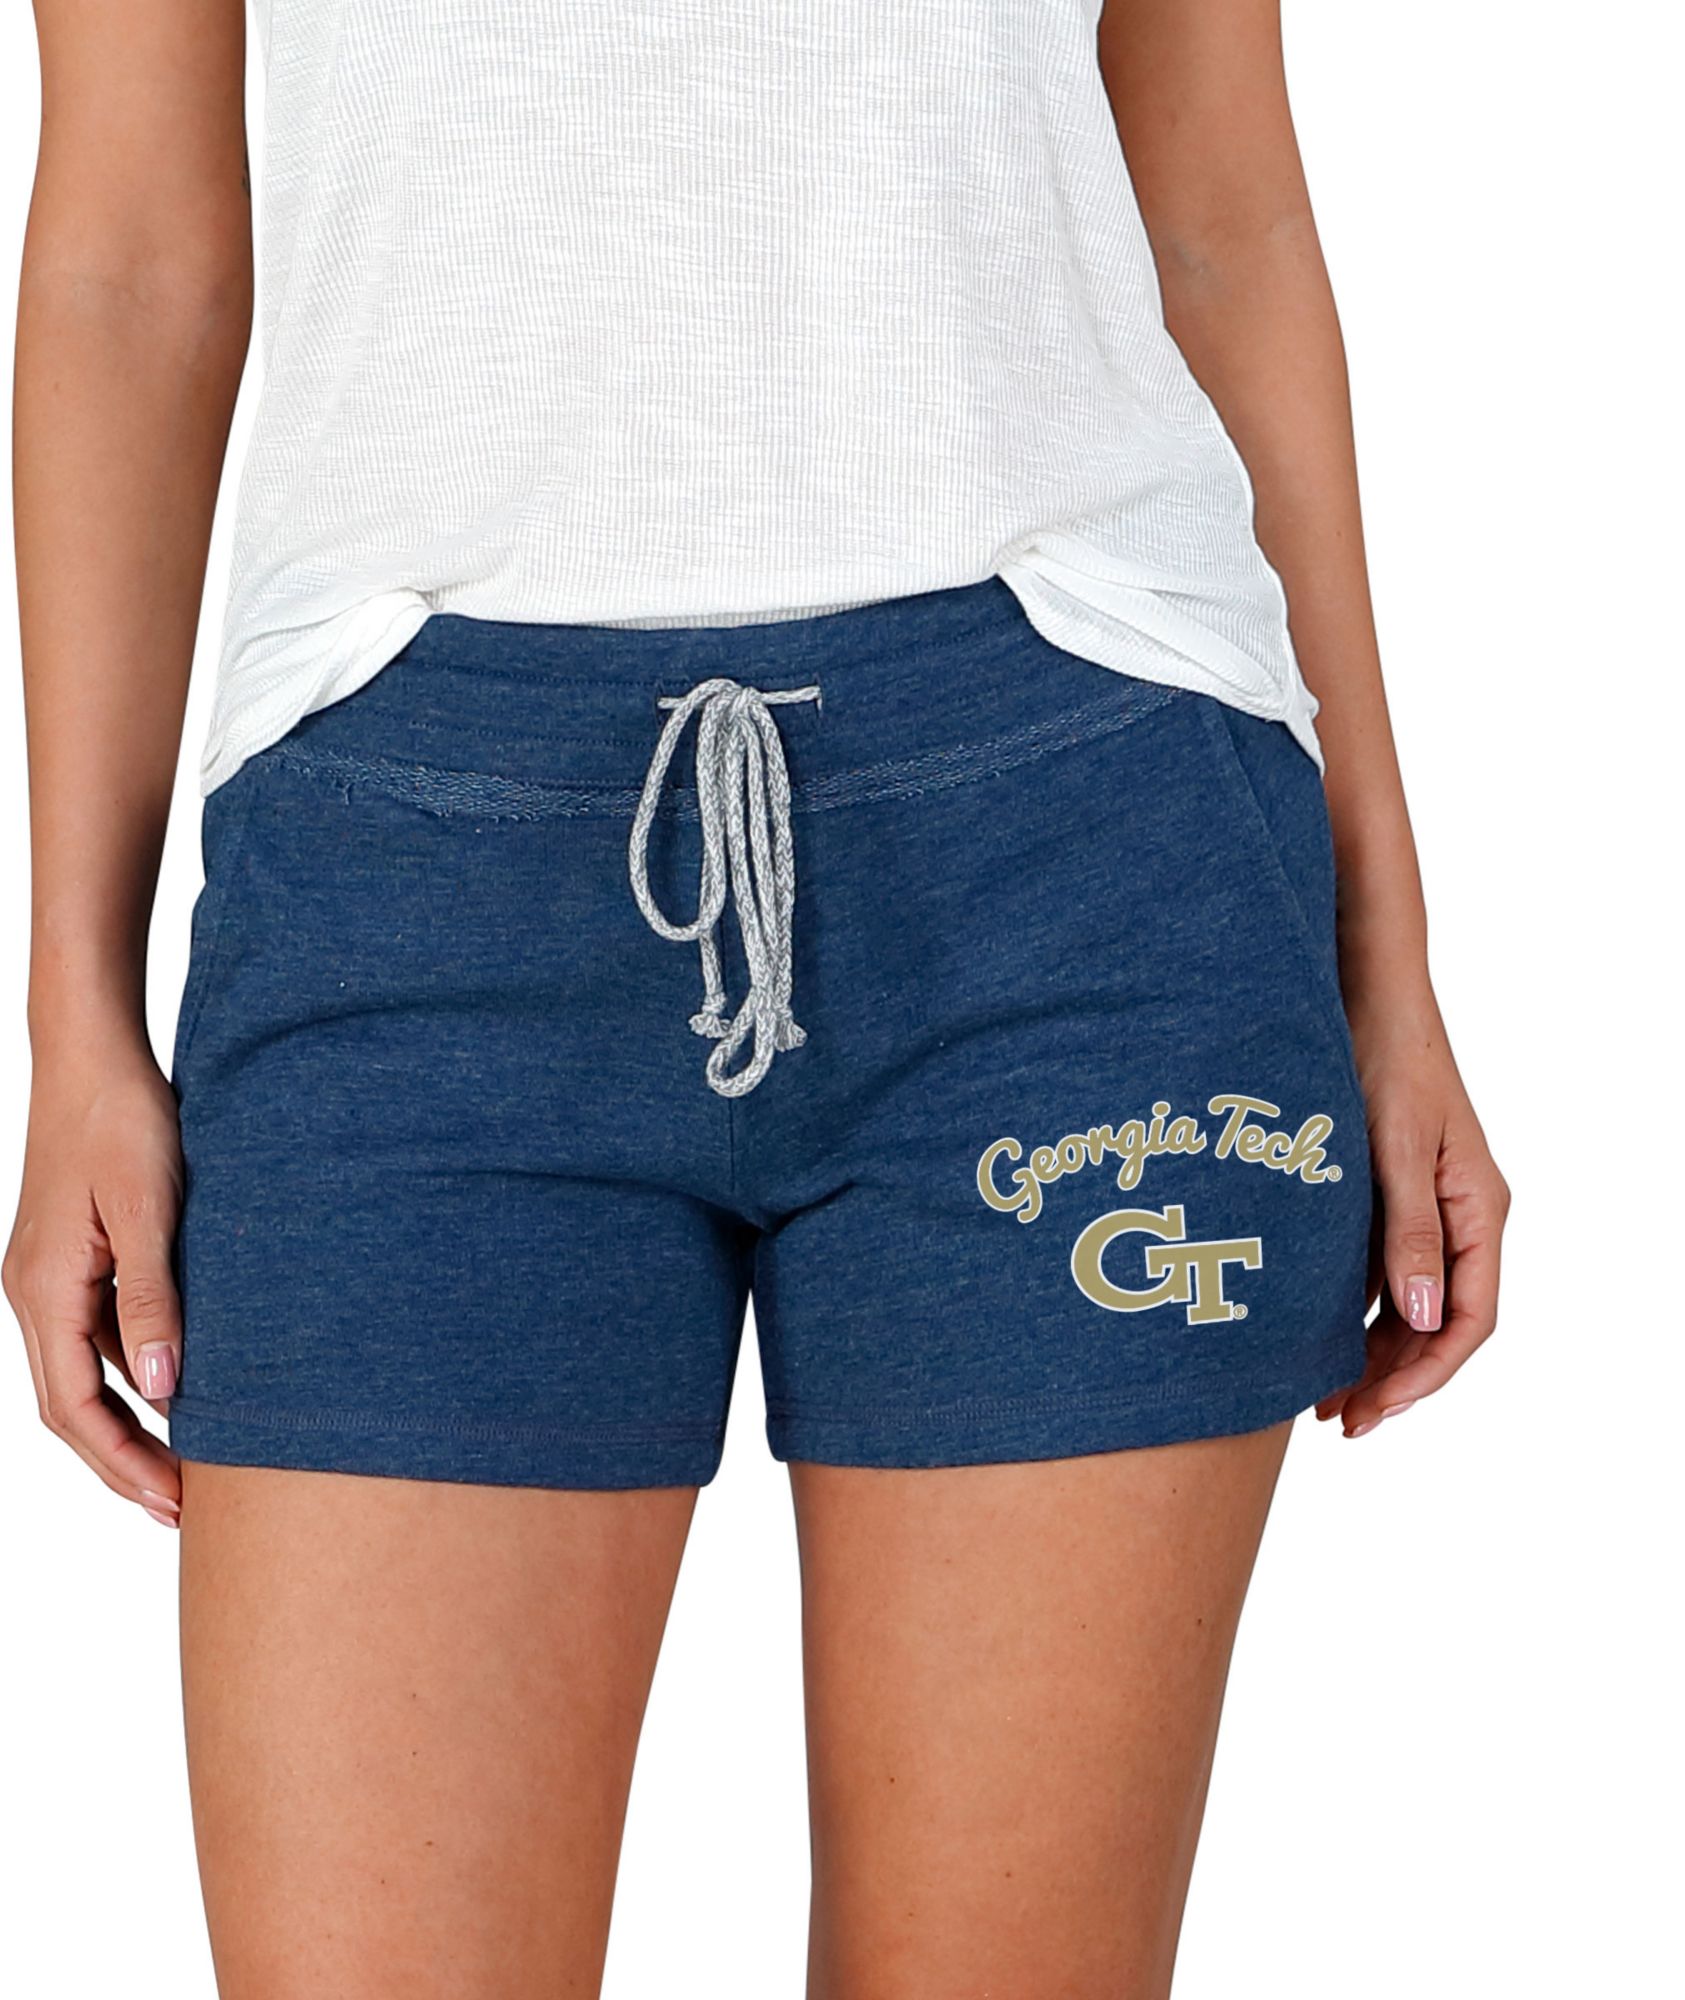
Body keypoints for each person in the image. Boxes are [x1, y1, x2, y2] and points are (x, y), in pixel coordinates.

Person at [5, 0, 1509, 1992]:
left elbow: (1220, 213)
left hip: (1074, 847)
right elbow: (129, 258)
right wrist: (75, 1020)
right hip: (407, 874)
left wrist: (1389, 963)